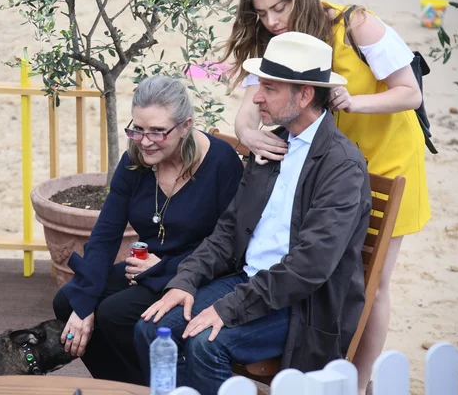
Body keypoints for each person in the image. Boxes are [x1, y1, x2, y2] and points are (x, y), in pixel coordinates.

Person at [134, 32, 372, 395]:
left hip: (301, 305)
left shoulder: (342, 166)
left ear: (304, 94)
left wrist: (229, 308)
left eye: (270, 87)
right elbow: (229, 229)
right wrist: (186, 279)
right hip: (248, 282)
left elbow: (308, 267)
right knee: (152, 329)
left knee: (205, 345)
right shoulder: (272, 145)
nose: (257, 96)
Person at [220, 0, 431, 393]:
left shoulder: (357, 24)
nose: (271, 21)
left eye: (279, 8)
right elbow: (248, 110)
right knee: (330, 266)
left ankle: (358, 380)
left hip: (386, 160)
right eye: (261, 14)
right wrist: (249, 134)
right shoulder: (282, 43)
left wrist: (355, 103)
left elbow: (409, 92)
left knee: (374, 280)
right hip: (326, 167)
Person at [52, 76, 244, 385]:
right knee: (68, 302)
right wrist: (84, 304)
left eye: (157, 131)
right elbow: (105, 235)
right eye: (137, 129)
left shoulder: (221, 162)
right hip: (145, 268)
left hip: (203, 274)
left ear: (185, 126)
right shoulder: (134, 161)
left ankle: (164, 388)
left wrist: (170, 268)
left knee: (116, 314)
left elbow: (229, 243)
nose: (145, 140)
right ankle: (126, 386)